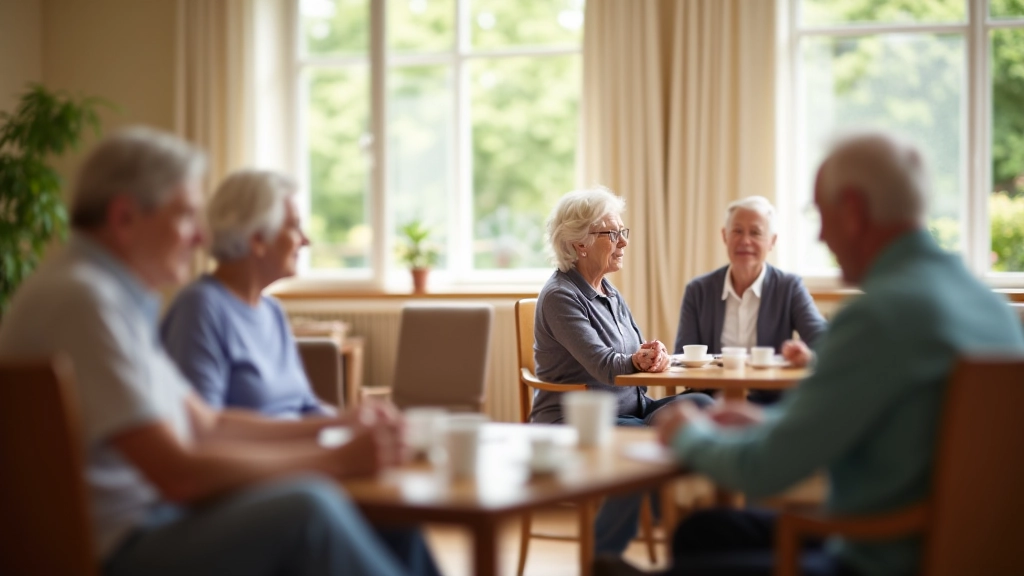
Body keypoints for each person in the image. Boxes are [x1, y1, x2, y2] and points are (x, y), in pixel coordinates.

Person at [0, 127, 439, 576]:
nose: (199, 239)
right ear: (124, 218)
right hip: (121, 548)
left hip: (155, 524)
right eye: (187, 216)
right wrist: (336, 459)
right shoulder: (82, 300)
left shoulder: (110, 296)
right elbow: (178, 475)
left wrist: (338, 423)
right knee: (308, 512)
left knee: (390, 519)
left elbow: (206, 423)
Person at [596, 132, 1024, 576]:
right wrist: (765, 421)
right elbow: (872, 415)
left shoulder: (878, 316)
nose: (821, 234)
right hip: (950, 549)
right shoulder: (990, 308)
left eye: (823, 215)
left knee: (692, 548)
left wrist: (686, 432)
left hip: (875, 556)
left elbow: (763, 471)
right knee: (704, 531)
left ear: (854, 211)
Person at [531, 186, 713, 555]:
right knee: (640, 445)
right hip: (575, 419)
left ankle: (670, 519)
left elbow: (632, 356)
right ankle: (603, 554)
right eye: (612, 234)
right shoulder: (560, 296)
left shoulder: (610, 292)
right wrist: (635, 362)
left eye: (622, 232)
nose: (623, 243)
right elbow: (604, 365)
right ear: (580, 244)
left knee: (705, 406)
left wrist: (653, 354)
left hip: (631, 409)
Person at [162, 169, 331, 418]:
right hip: (262, 456)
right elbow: (204, 432)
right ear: (258, 239)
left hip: (303, 452)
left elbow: (306, 405)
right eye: (294, 227)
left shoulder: (272, 310)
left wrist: (358, 425)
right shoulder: (199, 307)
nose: (305, 241)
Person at [674, 195, 826, 403]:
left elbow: (824, 340)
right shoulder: (698, 290)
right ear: (724, 235)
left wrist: (807, 356)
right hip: (711, 400)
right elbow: (683, 356)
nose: (745, 241)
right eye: (737, 231)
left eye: (755, 233)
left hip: (771, 400)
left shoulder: (789, 287)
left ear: (772, 241)